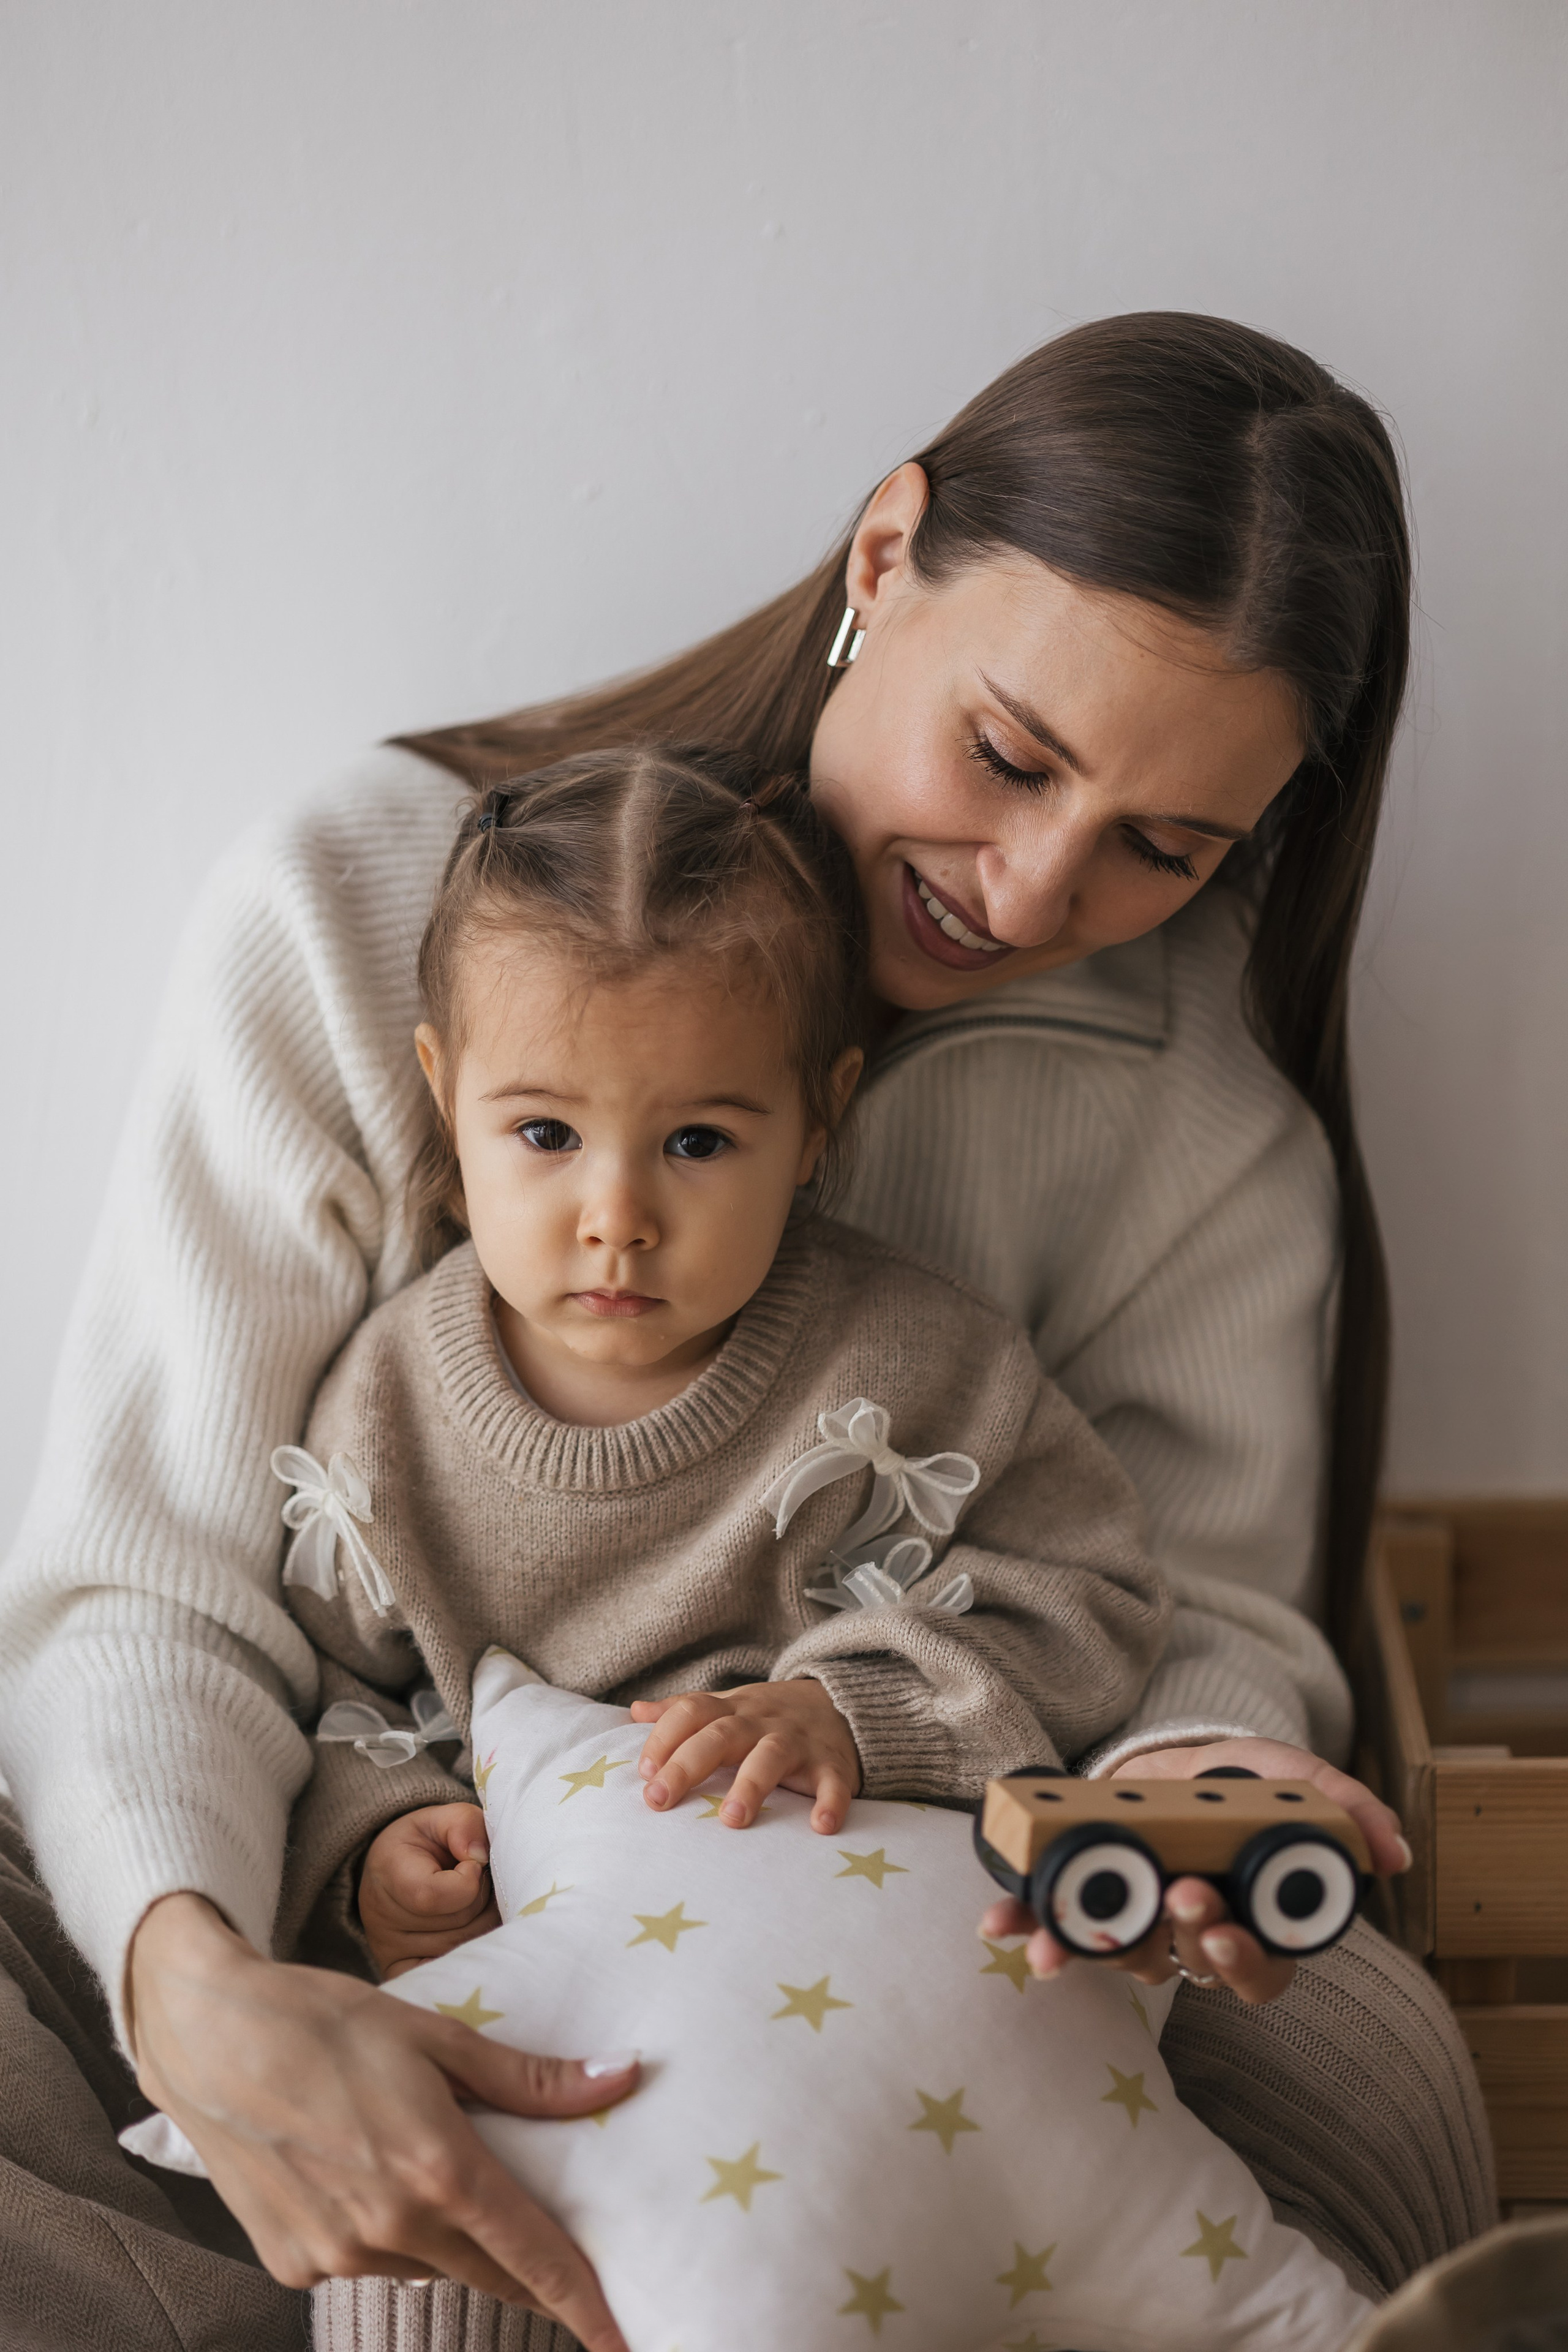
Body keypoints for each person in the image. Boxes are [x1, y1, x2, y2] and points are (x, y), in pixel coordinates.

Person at [0, 313, 1494, 2352]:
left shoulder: (1199, 1117)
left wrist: (1180, 1832)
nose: (1031, 889)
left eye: (1167, 849)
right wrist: (204, 1980)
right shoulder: (357, 907)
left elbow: (1192, 1616)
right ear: (884, 559)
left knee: (1369, 2058)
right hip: (394, 1873)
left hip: (930, 1901)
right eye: (1011, 756)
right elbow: (154, 1583)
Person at [265, 739, 1166, 2000]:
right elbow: (324, 1693)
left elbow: (1093, 1607)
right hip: (544, 1978)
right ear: (445, 1093)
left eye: (695, 1142)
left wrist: (855, 1714)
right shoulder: (384, 1409)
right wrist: (382, 1841)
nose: (617, 1219)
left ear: (817, 1121)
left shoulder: (922, 1366)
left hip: (859, 1973)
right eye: (545, 1132)